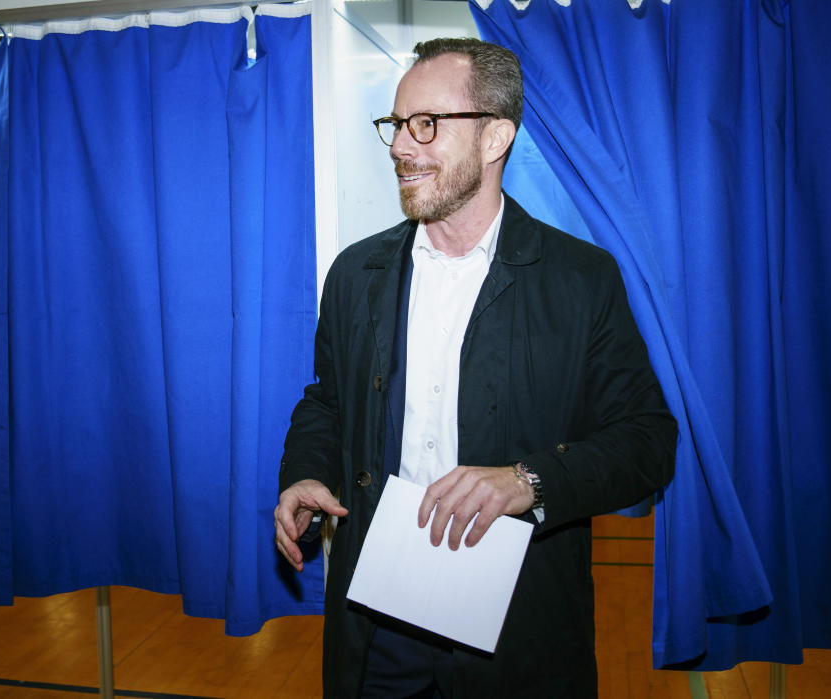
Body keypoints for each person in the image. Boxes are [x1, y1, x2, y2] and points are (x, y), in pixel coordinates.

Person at [274, 37, 677, 698]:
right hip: (378, 628)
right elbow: (328, 401)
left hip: (518, 634)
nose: (403, 146)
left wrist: (529, 480)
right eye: (397, 124)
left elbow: (647, 441)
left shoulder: (579, 279)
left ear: (495, 138)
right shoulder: (356, 275)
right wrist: (306, 472)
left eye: (427, 124)